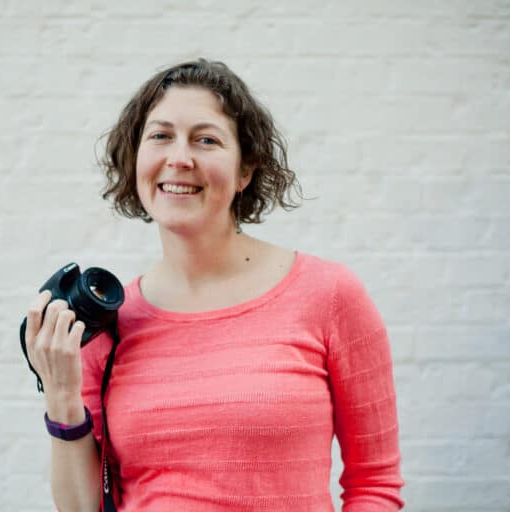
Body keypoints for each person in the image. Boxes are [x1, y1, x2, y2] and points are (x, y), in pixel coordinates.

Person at [23, 58, 404, 512]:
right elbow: (82, 509)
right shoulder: (108, 323)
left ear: (245, 171)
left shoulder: (330, 295)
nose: (179, 158)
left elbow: (374, 484)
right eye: (160, 136)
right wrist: (61, 396)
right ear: (136, 160)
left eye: (206, 140)